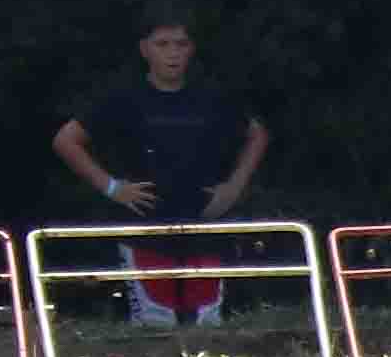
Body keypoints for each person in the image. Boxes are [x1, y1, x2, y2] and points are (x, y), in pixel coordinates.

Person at [52, 21, 270, 328]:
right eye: (163, 44)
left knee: (207, 323)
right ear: (145, 49)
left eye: (181, 44)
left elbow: (257, 135)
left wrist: (234, 186)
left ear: (191, 50)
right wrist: (111, 187)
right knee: (154, 323)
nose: (173, 53)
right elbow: (66, 140)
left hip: (204, 222)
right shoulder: (123, 97)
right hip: (144, 226)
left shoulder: (212, 96)